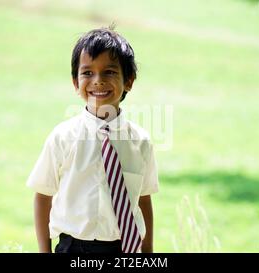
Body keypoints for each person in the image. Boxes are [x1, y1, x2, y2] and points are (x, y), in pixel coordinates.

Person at [26, 26, 159, 253]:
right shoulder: (63, 138)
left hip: (124, 250)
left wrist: (147, 252)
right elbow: (43, 195)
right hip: (73, 247)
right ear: (76, 82)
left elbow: (143, 200)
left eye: (109, 72)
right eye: (87, 73)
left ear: (129, 81)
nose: (97, 80)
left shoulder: (141, 142)